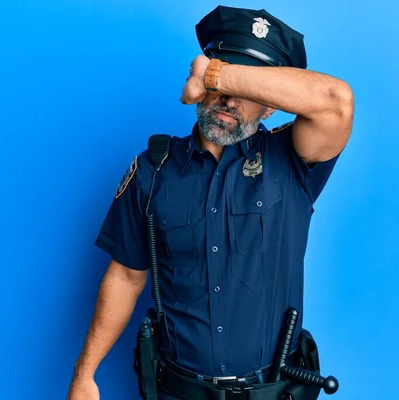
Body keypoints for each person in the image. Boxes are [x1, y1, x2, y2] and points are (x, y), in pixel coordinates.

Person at [67, 5, 354, 400]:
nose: (229, 100)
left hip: (271, 392)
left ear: (270, 103)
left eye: (249, 90)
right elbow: (125, 277)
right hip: (178, 391)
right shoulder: (153, 170)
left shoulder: (293, 160)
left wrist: (214, 74)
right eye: (219, 83)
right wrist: (85, 374)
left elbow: (336, 101)